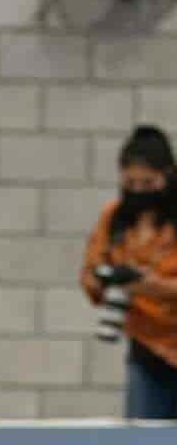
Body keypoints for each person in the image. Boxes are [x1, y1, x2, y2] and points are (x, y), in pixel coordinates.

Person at [81, 125, 177, 419]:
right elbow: (89, 272)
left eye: (148, 184)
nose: (138, 192)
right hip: (146, 354)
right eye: (131, 184)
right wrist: (103, 278)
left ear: (169, 176)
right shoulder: (114, 216)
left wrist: (149, 285)